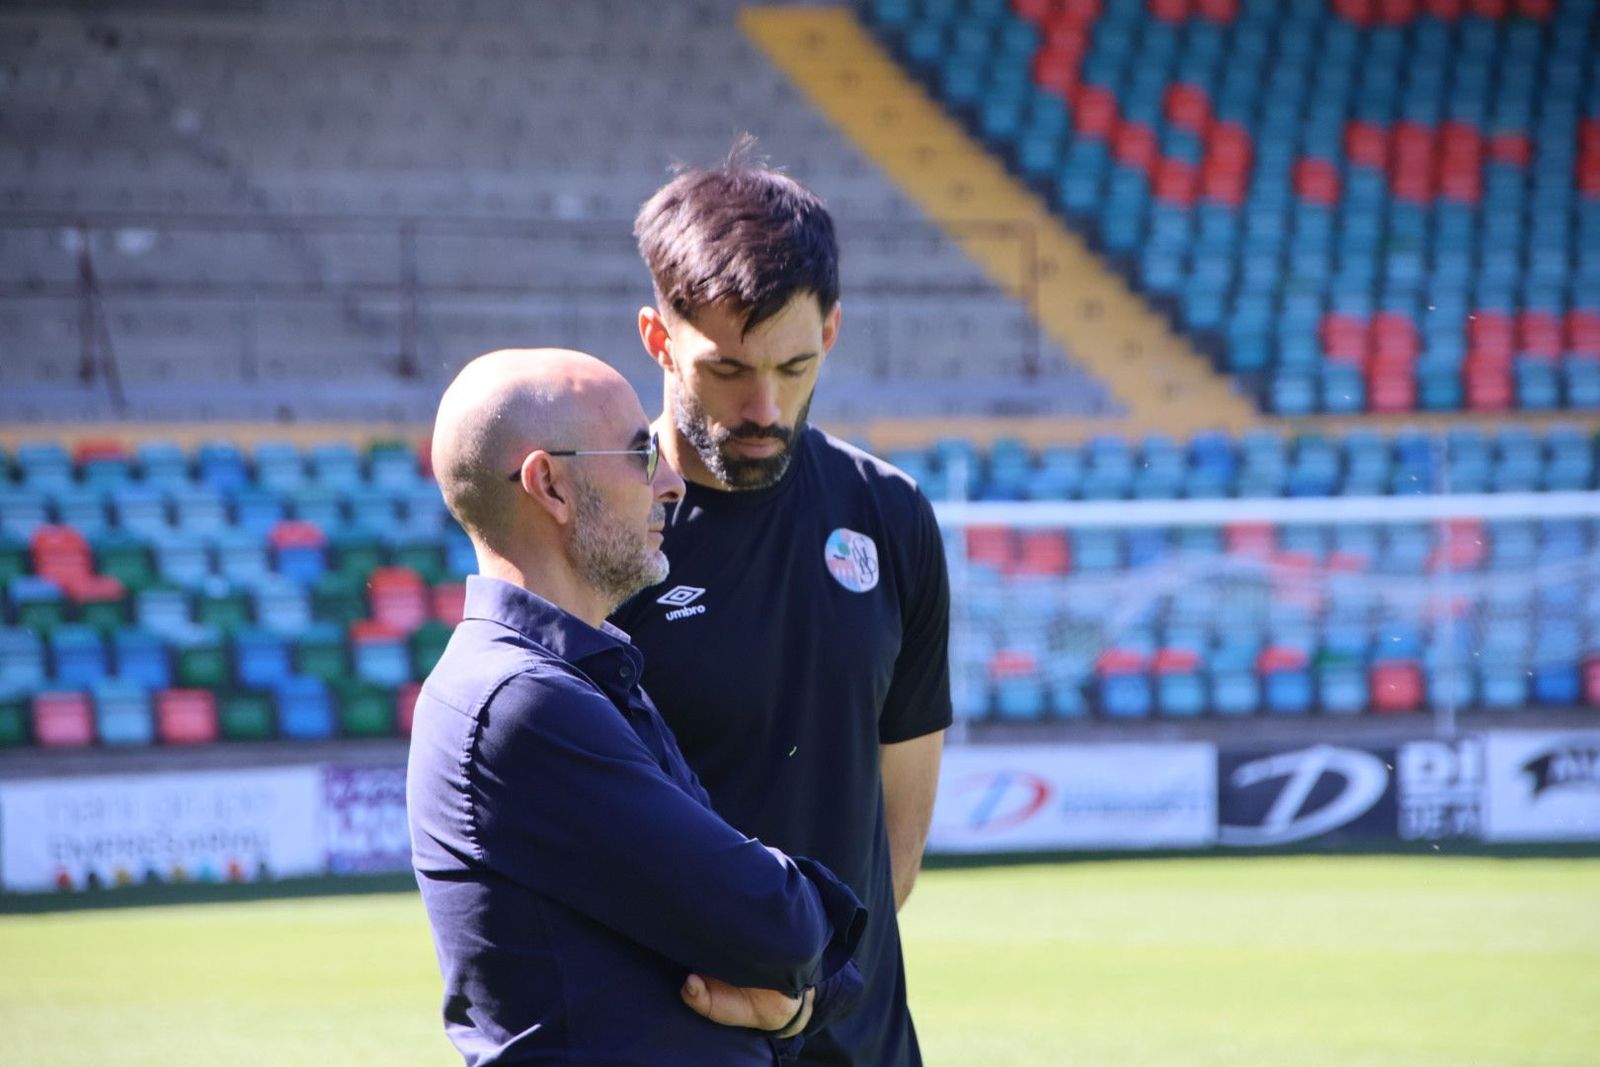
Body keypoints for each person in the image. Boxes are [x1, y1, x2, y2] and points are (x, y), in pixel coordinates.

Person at [408, 347, 866, 1066]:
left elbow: (775, 948)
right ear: (549, 486)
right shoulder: (522, 702)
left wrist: (791, 1000)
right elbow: (777, 924)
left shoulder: (581, 676)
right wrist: (797, 955)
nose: (673, 482)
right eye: (640, 452)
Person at [610, 146, 952, 1067]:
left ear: (833, 332)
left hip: (862, 1042)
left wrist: (809, 983)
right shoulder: (598, 532)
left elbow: (895, 847)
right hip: (675, 1043)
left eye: (795, 366)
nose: (763, 406)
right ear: (657, 338)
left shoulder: (892, 517)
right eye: (727, 372)